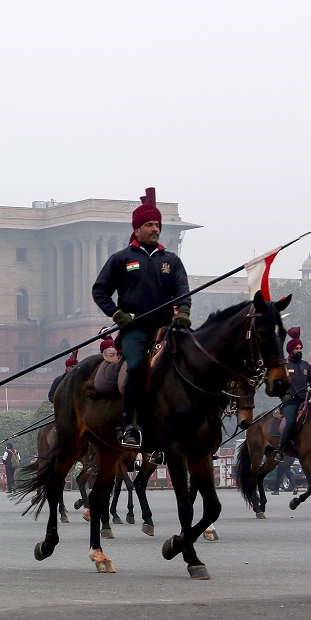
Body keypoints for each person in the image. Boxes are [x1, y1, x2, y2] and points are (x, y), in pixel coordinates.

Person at [91, 187, 190, 449]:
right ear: (137, 230)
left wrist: (185, 312)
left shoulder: (171, 261)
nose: (155, 229)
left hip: (166, 327)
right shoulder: (121, 259)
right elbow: (99, 290)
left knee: (192, 362)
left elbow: (182, 290)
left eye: (157, 224)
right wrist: (117, 314)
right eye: (149, 224)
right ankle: (130, 425)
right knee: (136, 367)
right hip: (135, 329)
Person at [274, 327, 311, 462]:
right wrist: (283, 396)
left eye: (300, 348)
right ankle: (280, 451)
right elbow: (276, 384)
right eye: (296, 348)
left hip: (304, 401)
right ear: (290, 350)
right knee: (291, 421)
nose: (299, 350)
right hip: (290, 402)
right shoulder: (284, 365)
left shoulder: (306, 366)